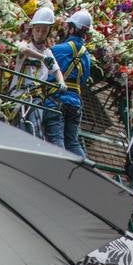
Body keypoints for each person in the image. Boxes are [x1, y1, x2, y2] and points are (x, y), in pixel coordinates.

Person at [41, 10, 92, 158]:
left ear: (72, 28)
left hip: (56, 100)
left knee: (56, 140)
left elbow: (44, 71)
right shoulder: (86, 56)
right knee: (73, 143)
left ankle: (60, 171)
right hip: (75, 103)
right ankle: (85, 172)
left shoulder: (57, 50)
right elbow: (83, 80)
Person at [9, 6, 65, 139]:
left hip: (36, 97)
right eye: (37, 30)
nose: (40, 34)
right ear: (32, 29)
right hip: (18, 93)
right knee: (17, 127)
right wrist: (42, 58)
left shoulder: (48, 52)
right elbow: (23, 51)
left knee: (35, 127)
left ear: (48, 32)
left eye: (44, 31)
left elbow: (56, 70)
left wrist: (61, 82)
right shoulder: (26, 45)